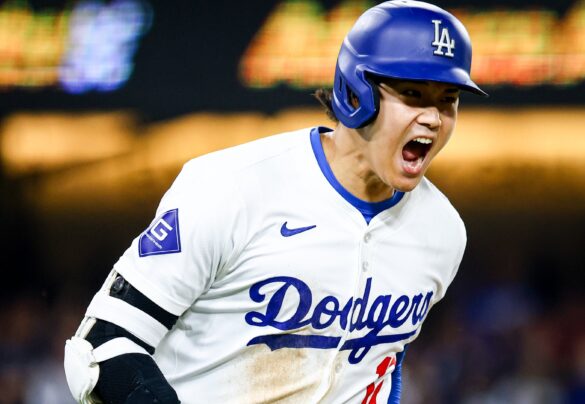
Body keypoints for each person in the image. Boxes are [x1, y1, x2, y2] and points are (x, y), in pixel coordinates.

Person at [64, 1, 487, 403]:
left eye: (447, 100)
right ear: (357, 93)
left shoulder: (442, 232)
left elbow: (383, 366)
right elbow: (102, 343)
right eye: (412, 94)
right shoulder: (232, 187)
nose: (433, 118)